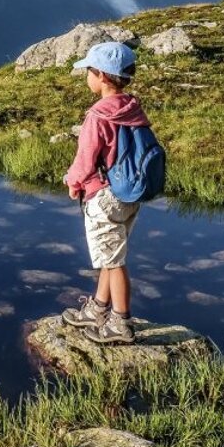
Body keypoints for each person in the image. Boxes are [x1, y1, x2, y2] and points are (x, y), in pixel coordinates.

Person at [59, 41, 151, 344]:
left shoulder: (98, 115)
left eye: (88, 71)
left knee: (113, 261)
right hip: (129, 193)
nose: (86, 76)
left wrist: (73, 182)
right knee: (111, 253)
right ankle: (99, 309)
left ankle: (121, 323)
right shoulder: (131, 108)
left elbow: (86, 159)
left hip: (104, 197)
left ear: (102, 76)